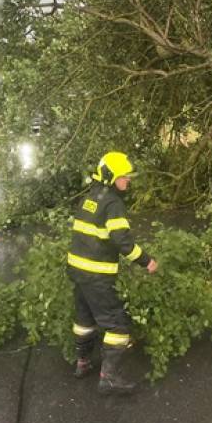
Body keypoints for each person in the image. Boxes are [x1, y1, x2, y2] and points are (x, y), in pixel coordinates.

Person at [67, 151, 158, 395]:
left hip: (78, 271)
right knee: (117, 325)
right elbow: (122, 241)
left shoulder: (90, 198)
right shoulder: (113, 204)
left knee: (84, 320)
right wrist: (147, 261)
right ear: (110, 177)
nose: (128, 181)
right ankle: (109, 378)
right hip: (97, 275)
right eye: (123, 177)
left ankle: (82, 363)